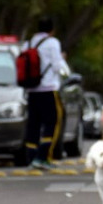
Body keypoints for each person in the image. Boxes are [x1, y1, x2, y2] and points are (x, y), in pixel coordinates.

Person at [24, 17, 69, 171]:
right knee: (53, 122)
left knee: (33, 124)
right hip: (49, 89)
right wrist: (63, 63)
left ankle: (31, 157)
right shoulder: (52, 43)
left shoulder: (28, 43)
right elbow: (57, 66)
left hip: (31, 90)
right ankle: (43, 157)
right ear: (52, 30)